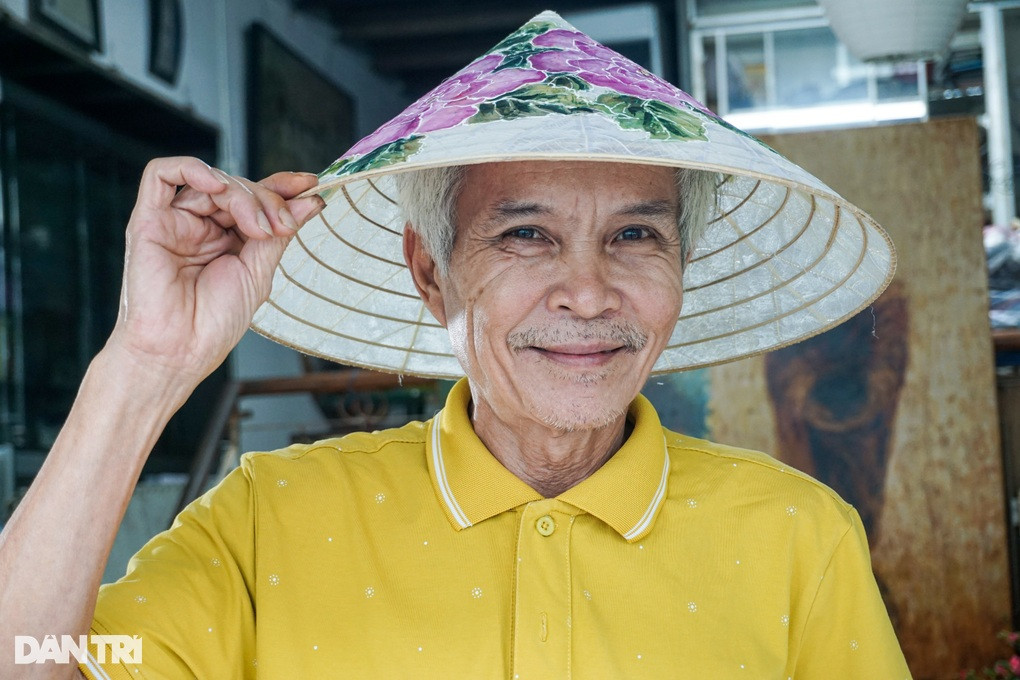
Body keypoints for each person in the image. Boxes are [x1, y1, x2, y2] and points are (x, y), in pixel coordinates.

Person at [0, 11, 911, 679]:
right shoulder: (265, 522)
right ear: (431, 272)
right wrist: (144, 365)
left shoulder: (799, 539)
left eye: (637, 236)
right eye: (525, 235)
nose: (590, 293)